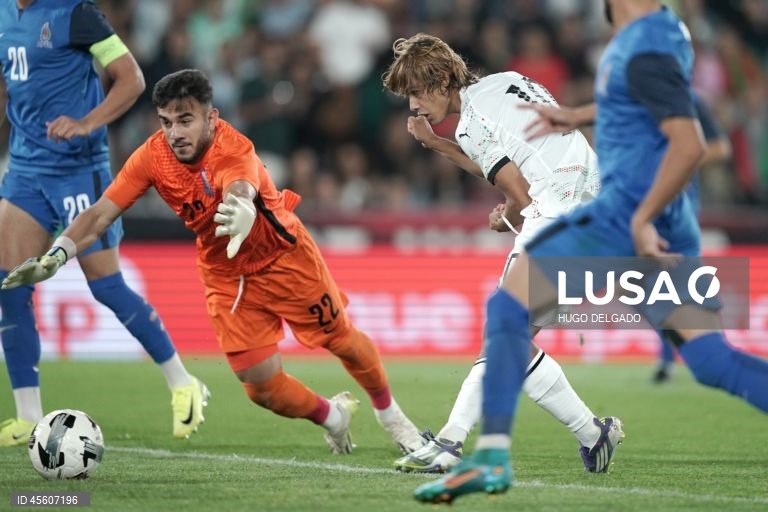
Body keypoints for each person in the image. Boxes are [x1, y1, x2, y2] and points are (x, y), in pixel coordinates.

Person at [409, 0, 768, 503]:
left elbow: (690, 144)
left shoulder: (645, 45)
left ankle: (461, 446)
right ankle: (532, 442)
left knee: (508, 320)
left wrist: (639, 218)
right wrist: (577, 115)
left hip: (611, 217)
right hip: (618, 209)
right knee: (708, 362)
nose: (412, 104)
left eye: (416, 92)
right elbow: (643, 111)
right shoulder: (646, 42)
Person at [2, 69, 425, 455]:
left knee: (341, 340)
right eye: (166, 122)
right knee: (261, 388)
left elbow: (239, 186)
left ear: (211, 118)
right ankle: (333, 417)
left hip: (283, 259)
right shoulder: (152, 156)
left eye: (185, 120)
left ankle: (392, 417)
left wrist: (241, 210)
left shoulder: (233, 149)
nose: (174, 133)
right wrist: (58, 254)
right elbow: (99, 214)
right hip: (225, 274)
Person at [383, 34, 623, 475]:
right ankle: (593, 434)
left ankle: (450, 443)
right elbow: (518, 161)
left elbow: (520, 190)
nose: (413, 105)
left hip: (560, 215)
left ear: (441, 80)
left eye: (416, 92)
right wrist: (439, 146)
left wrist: (509, 211)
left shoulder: (472, 122)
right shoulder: (508, 82)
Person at [0, 0, 207, 446]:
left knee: (106, 285)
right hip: (25, 169)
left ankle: (183, 381)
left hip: (78, 169)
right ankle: (28, 416)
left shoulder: (74, 13)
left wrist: (86, 122)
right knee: (11, 288)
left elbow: (131, 78)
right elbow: (10, 83)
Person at [524, 93, 732, 385]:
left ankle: (686, 353)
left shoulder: (687, 100)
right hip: (634, 204)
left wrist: (674, 163)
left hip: (670, 210)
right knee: (631, 288)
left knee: (653, 284)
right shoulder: (631, 98)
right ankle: (685, 346)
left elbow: (719, 148)